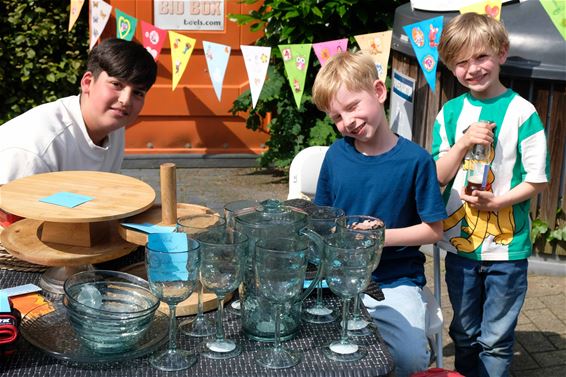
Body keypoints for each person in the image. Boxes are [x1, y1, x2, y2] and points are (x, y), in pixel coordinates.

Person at [312, 51, 447, 377]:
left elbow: (434, 231)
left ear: (378, 91)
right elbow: (321, 219)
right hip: (338, 278)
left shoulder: (416, 161)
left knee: (411, 357)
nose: (348, 122)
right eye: (337, 117)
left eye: (353, 106)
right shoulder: (335, 156)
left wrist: (378, 238)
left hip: (395, 280)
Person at [432, 13, 549, 377]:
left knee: (496, 339)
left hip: (508, 248)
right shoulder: (450, 113)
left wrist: (499, 202)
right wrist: (464, 140)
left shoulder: (522, 112)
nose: (472, 69)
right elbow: (438, 173)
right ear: (451, 68)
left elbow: (537, 179)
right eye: (461, 63)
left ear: (501, 52)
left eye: (480, 57)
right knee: (464, 332)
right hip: (461, 245)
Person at [0, 38, 157, 185]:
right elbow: (9, 211)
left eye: (138, 93)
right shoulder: (38, 147)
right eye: (116, 84)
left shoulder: (115, 128)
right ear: (87, 82)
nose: (126, 100)